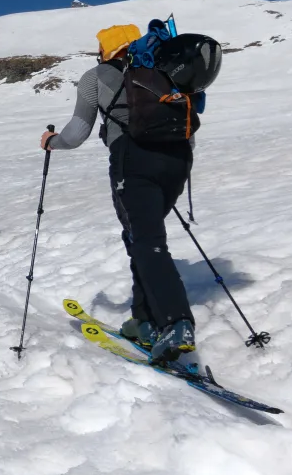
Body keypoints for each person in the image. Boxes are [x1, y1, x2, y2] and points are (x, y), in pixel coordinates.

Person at [40, 21, 201, 371]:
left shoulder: (96, 75)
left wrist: (51, 142)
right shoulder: (163, 68)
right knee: (139, 237)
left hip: (132, 158)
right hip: (177, 160)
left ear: (106, 49)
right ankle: (142, 319)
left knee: (147, 241)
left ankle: (175, 324)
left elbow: (78, 132)